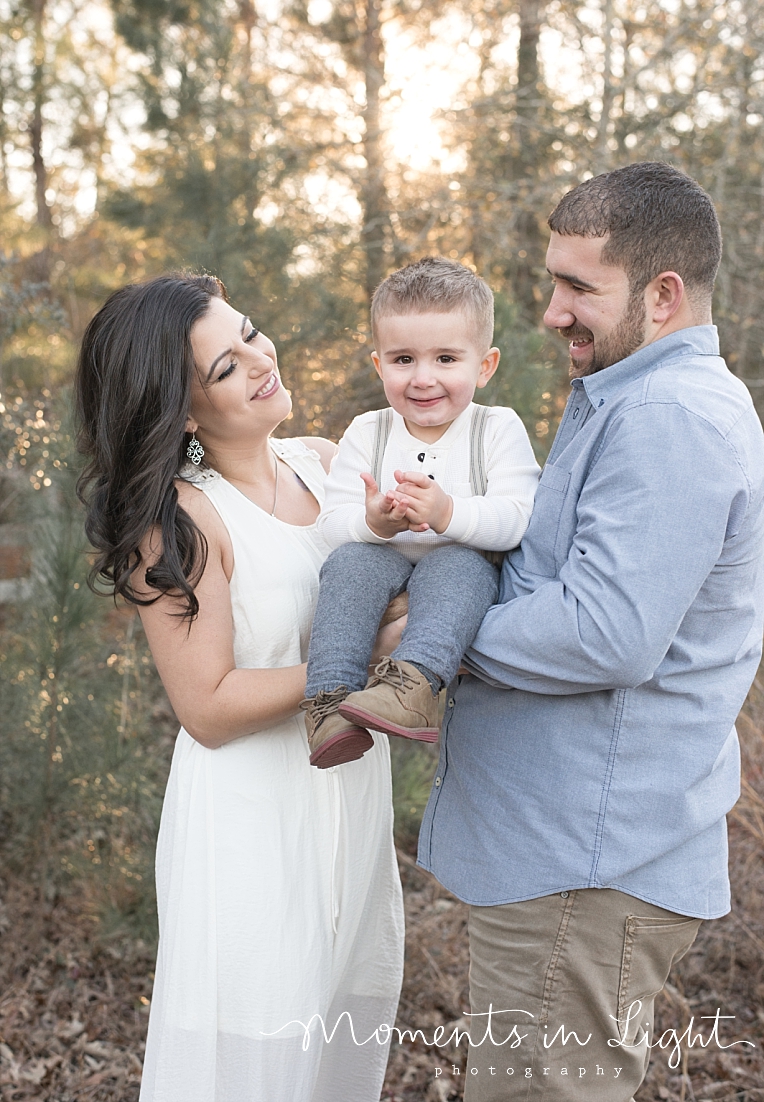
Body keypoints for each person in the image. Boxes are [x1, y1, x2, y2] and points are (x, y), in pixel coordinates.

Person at [417, 162, 764, 1100]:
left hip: (585, 869)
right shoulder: (629, 394)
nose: (552, 312)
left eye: (579, 288)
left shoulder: (666, 418)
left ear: (662, 294)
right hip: (570, 860)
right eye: (553, 281)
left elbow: (605, 631)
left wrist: (433, 637)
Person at [74, 273, 404, 1102]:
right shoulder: (182, 522)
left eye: (251, 332)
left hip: (347, 790)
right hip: (254, 817)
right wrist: (356, 662)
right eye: (226, 367)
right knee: (259, 1048)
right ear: (183, 412)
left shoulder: (327, 464)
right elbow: (208, 706)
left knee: (336, 1030)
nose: (261, 359)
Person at [301, 257, 540, 767]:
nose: (423, 378)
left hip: (458, 571)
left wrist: (449, 512)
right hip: (380, 565)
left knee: (457, 562)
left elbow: (519, 516)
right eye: (403, 359)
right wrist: (372, 522)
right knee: (349, 565)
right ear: (379, 365)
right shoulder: (369, 431)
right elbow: (327, 528)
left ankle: (411, 687)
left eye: (447, 359)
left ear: (485, 365)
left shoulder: (494, 428)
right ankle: (329, 703)